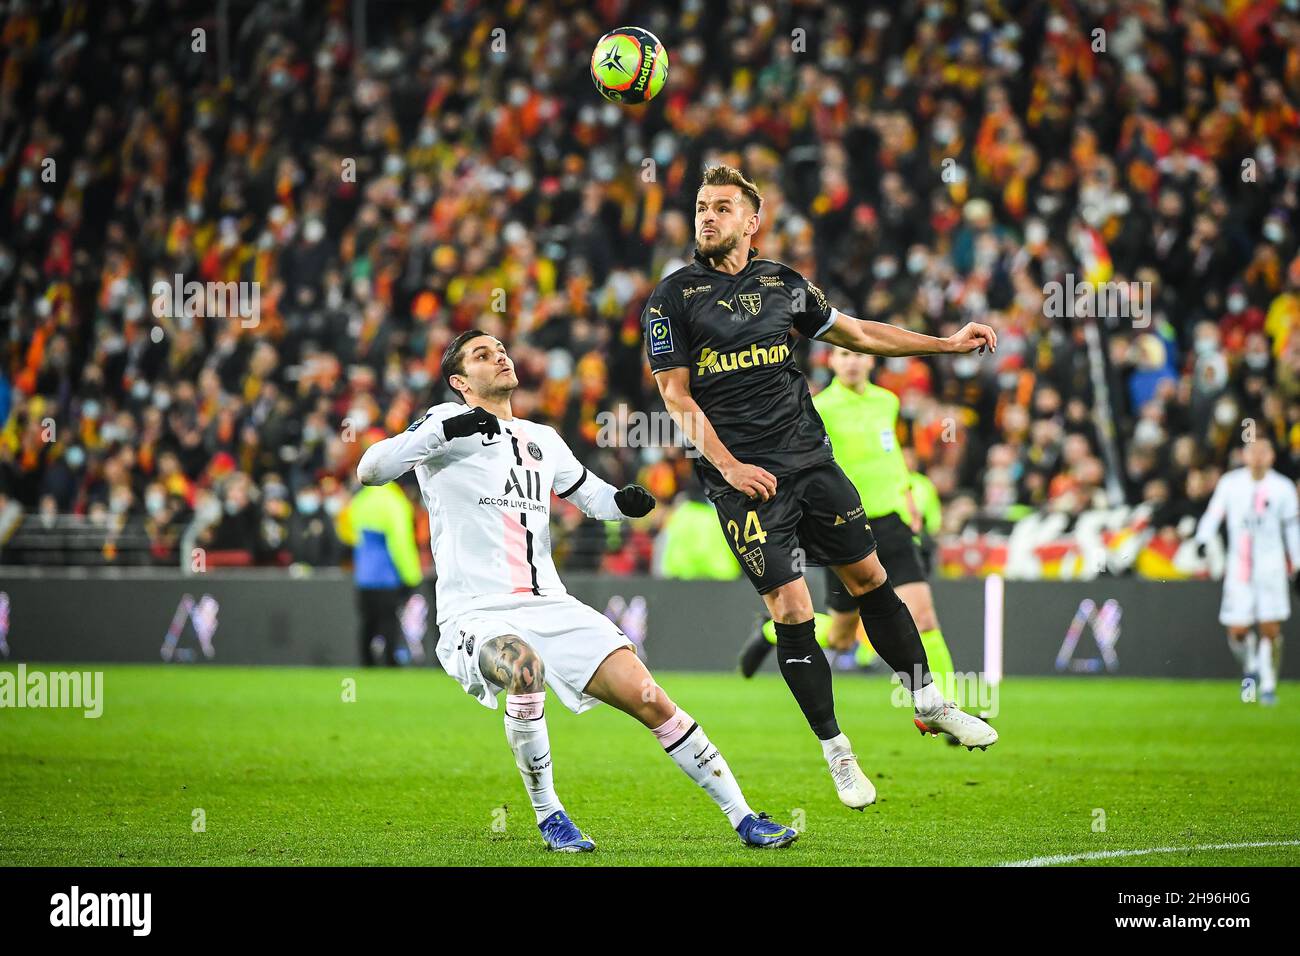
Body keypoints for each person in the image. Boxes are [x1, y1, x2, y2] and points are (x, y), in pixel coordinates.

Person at [642, 165, 998, 811]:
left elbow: (859, 333)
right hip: (742, 483)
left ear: (752, 221)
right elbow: (676, 395)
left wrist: (946, 344)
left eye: (722, 207)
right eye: (700, 207)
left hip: (811, 463)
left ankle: (930, 701)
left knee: (869, 580)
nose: (707, 217)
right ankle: (839, 755)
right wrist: (728, 467)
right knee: (793, 611)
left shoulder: (784, 285)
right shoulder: (673, 298)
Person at [356, 329, 797, 851]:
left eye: (500, 348)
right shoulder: (441, 424)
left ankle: (744, 817)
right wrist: (450, 426)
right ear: (459, 382)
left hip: (551, 605)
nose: (498, 355)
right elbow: (370, 469)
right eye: (481, 354)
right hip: (476, 614)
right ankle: (551, 817)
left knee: (651, 698)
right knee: (523, 669)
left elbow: (592, 497)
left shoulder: (542, 438)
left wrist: (626, 503)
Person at [737, 349, 957, 708]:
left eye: (858, 354)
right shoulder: (819, 407)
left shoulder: (888, 401)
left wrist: (908, 496)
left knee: (925, 617)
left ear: (872, 360)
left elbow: (892, 454)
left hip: (892, 522)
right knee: (841, 637)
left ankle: (945, 707)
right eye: (843, 354)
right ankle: (769, 630)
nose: (852, 361)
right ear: (831, 363)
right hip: (846, 525)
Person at [1194, 436, 1300, 706]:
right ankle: (1250, 665)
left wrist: (1298, 563)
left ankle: (1267, 684)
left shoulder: (1282, 487)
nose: (1257, 457)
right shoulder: (1231, 484)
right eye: (1253, 451)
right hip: (1239, 568)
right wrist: (1202, 539)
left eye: (1263, 451)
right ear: (1243, 455)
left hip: (1271, 567)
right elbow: (1214, 513)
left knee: (1270, 628)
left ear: (1272, 456)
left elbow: (1292, 528)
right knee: (1238, 630)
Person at [335, 475, 424, 666]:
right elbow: (400, 543)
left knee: (368, 623)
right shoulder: (394, 502)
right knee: (388, 623)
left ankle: (366, 665)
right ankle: (390, 664)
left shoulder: (359, 500)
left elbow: (348, 534)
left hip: (364, 578)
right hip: (386, 577)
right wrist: (411, 576)